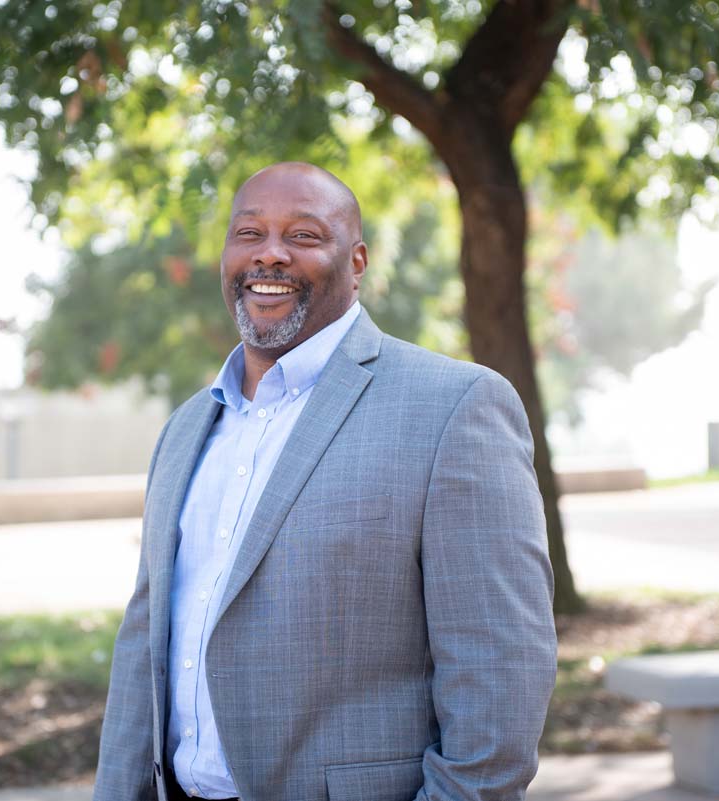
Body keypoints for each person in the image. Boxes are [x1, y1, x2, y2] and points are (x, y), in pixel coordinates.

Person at [93, 162, 557, 801]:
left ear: (357, 262)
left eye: (305, 236)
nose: (270, 255)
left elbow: (500, 678)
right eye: (249, 234)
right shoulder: (186, 428)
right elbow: (144, 643)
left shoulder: (454, 407)